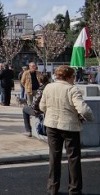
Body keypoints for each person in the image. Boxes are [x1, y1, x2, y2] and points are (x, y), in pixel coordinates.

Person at [39, 65, 94, 195]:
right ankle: (74, 189)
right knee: (73, 158)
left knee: (54, 156)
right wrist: (90, 117)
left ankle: (52, 188)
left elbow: (42, 106)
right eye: (73, 76)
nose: (74, 78)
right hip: (70, 126)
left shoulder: (49, 87)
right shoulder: (72, 89)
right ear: (69, 77)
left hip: (52, 125)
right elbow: (84, 109)